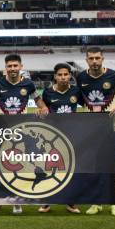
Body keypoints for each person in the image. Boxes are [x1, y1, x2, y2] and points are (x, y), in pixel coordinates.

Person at [0, 53, 49, 214]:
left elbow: (38, 100)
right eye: (9, 66)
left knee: (19, 166)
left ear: (21, 67)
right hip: (2, 130)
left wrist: (43, 107)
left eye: (15, 66)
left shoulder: (28, 84)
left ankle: (17, 201)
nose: (12, 69)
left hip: (22, 132)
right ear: (5, 68)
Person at [77, 47, 115, 217]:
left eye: (97, 58)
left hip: (112, 127)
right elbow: (80, 98)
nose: (94, 61)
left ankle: (113, 203)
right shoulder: (81, 77)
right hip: (91, 129)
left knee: (113, 166)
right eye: (91, 58)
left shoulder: (114, 75)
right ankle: (96, 203)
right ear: (86, 60)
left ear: (103, 58)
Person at [38, 63, 82, 214]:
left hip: (71, 137)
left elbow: (89, 107)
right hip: (52, 138)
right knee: (49, 168)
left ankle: (71, 202)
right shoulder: (48, 92)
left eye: (66, 74)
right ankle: (46, 201)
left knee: (70, 170)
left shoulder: (77, 91)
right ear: (55, 76)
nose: (63, 78)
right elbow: (44, 111)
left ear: (70, 75)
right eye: (60, 75)